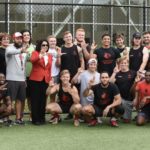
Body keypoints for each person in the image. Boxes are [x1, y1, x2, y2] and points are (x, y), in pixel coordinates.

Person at [5, 32, 28, 125]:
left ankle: (18, 119)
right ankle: (6, 118)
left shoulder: (24, 50)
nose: (19, 40)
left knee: (20, 100)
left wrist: (25, 79)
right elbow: (10, 52)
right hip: (11, 78)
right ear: (13, 39)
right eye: (17, 38)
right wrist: (21, 50)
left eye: (20, 38)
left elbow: (24, 66)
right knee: (9, 100)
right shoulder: (9, 48)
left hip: (21, 80)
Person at [29, 39, 52, 125]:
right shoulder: (35, 53)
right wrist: (40, 55)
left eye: (46, 45)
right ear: (39, 46)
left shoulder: (49, 55)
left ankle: (42, 118)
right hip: (35, 79)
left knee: (43, 99)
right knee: (35, 99)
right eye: (43, 45)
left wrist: (49, 80)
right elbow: (32, 60)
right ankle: (35, 119)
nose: (45, 46)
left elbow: (49, 69)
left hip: (45, 80)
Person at [110, 57, 136, 123]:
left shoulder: (133, 73)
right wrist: (114, 73)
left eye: (125, 63)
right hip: (119, 98)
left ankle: (123, 115)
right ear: (119, 65)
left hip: (129, 99)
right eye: (121, 63)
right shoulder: (117, 74)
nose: (123, 64)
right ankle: (115, 116)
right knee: (118, 104)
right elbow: (109, 83)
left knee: (126, 121)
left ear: (128, 64)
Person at [21, 29, 35, 121]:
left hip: (31, 75)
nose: (26, 36)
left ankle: (31, 114)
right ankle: (20, 115)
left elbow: (34, 58)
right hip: (20, 76)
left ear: (30, 37)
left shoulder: (34, 47)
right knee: (21, 97)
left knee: (30, 96)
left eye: (28, 35)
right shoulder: (18, 47)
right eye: (24, 35)